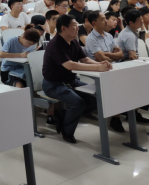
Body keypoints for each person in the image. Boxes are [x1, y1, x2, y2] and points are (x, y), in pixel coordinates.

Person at [42, 15, 115, 144]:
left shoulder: (73, 41)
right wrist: (97, 67)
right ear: (63, 28)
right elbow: (70, 65)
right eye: (75, 26)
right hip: (53, 84)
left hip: (71, 81)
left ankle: (64, 115)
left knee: (94, 99)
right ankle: (67, 131)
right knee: (78, 103)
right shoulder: (55, 44)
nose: (78, 28)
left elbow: (84, 59)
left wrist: (100, 63)